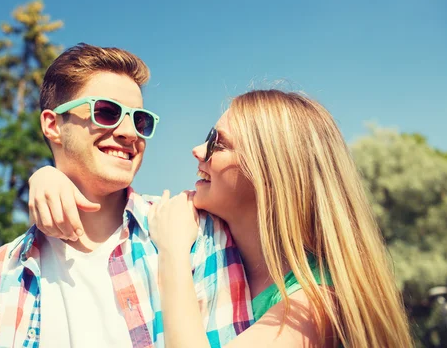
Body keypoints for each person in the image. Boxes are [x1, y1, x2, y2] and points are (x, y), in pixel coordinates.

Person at [30, 89, 414, 347]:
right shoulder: (219, 247)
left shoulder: (316, 305)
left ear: (271, 171)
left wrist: (174, 255)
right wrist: (50, 175)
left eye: (219, 143)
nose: (197, 151)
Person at [0, 43, 252, 348]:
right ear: (53, 125)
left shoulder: (198, 237)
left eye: (140, 120)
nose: (129, 132)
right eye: (106, 112)